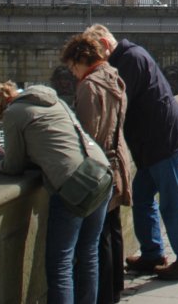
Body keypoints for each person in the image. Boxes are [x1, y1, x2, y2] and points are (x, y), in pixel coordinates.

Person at [0, 80, 112, 304]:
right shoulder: (52, 100)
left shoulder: (14, 113)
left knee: (60, 263)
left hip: (74, 183)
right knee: (88, 253)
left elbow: (13, 166)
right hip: (100, 171)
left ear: (0, 110)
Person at [107, 39, 178, 281]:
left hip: (162, 142)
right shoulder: (128, 57)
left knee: (172, 202)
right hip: (153, 143)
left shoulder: (129, 61)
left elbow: (118, 105)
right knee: (141, 196)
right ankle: (152, 253)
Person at [61, 32, 132, 304]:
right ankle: (115, 289)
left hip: (99, 169)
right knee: (111, 230)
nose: (73, 73)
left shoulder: (90, 86)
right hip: (117, 161)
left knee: (98, 239)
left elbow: (88, 134)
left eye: (72, 67)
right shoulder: (114, 75)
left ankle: (103, 296)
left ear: (82, 59)